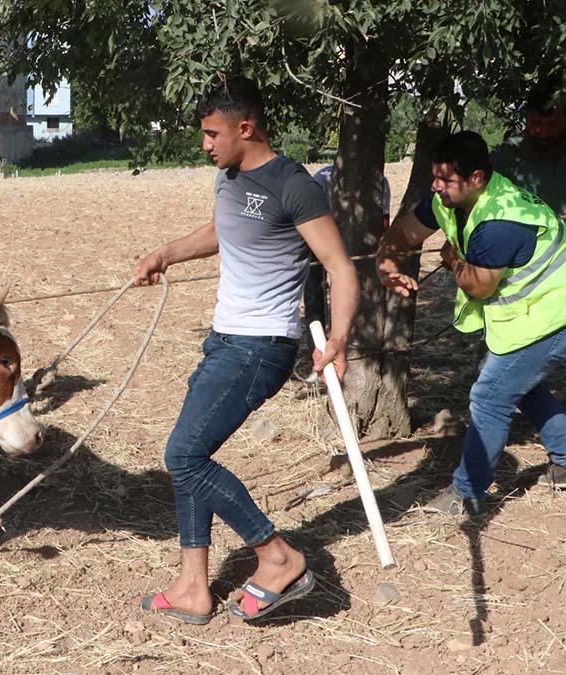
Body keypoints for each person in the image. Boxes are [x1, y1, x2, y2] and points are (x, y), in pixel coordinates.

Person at [132, 76, 360, 623]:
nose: (205, 144)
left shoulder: (292, 184)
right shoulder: (229, 177)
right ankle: (192, 587)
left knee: (183, 457)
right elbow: (223, 232)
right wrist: (166, 252)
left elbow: (340, 267)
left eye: (212, 133)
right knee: (191, 458)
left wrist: (339, 340)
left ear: (245, 128)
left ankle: (276, 555)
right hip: (224, 338)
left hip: (262, 346)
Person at [376, 131, 566, 513]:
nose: (436, 187)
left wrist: (452, 262)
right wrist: (388, 262)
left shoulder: (501, 222)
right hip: (531, 314)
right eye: (435, 177)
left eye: (445, 180)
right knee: (515, 385)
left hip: (554, 316)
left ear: (476, 178)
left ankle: (468, 493)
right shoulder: (451, 200)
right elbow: (405, 231)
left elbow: (478, 286)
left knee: (490, 395)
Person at [300, 165, 391, 380]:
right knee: (314, 294)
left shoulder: (380, 182)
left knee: (354, 296)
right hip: (319, 245)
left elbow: (384, 220)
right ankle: (318, 352)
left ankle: (356, 345)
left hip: (359, 247)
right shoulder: (322, 179)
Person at [490, 77, 566, 217]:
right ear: (526, 117)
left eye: (552, 124)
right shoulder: (506, 157)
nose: (542, 132)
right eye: (535, 123)